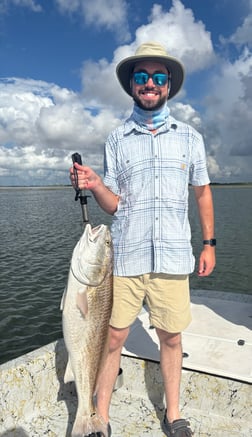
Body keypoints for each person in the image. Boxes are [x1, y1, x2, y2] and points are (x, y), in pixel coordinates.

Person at [70, 42, 216, 437]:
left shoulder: (190, 137)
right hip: (127, 257)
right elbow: (114, 205)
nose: (149, 83)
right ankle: (98, 416)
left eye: (157, 77)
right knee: (112, 336)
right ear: (132, 85)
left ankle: (173, 414)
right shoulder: (116, 140)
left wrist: (209, 244)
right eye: (141, 76)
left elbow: (202, 192)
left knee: (171, 337)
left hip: (173, 257)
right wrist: (97, 183)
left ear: (169, 85)